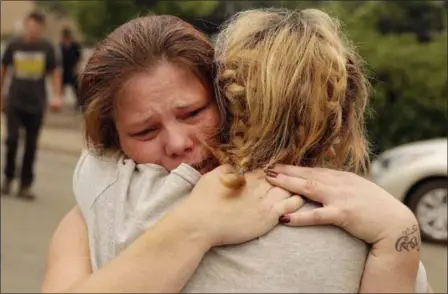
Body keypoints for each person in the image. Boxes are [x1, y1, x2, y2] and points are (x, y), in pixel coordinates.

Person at [42, 11, 430, 293]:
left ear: (228, 98)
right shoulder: (100, 201)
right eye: (145, 131)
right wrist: (196, 226)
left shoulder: (102, 197)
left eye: (193, 112)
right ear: (113, 142)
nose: (178, 143)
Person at [1, 11, 62, 200]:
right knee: (11, 140)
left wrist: (57, 95)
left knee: (31, 145)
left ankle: (25, 185)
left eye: (36, 27)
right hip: (14, 101)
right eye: (30, 26)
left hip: (36, 103)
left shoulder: (46, 48)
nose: (32, 30)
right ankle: (8, 178)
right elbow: (3, 69)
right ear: (26, 26)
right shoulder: (14, 45)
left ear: (41, 29)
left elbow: (55, 73)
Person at [60, 27, 81, 109]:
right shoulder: (61, 46)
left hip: (72, 68)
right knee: (61, 87)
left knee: (76, 87)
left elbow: (79, 57)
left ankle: (79, 103)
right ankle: (59, 101)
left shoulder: (75, 46)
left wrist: (76, 68)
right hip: (63, 69)